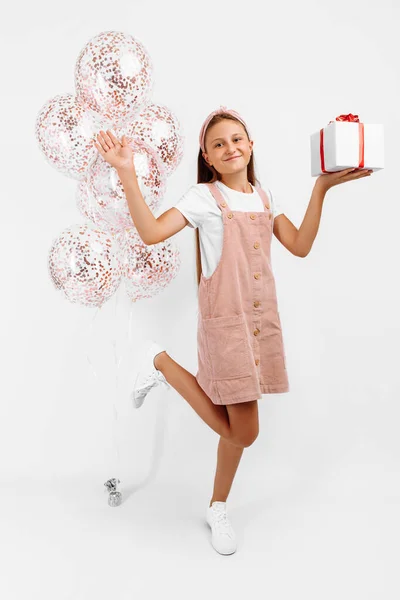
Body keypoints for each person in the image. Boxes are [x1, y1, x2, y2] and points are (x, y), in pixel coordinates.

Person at [94, 107, 372, 555]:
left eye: (237, 139)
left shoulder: (264, 197)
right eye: (219, 144)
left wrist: (321, 188)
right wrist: (127, 172)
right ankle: (160, 362)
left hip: (260, 326)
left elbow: (299, 246)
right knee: (245, 432)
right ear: (206, 155)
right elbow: (149, 233)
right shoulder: (204, 198)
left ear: (251, 144)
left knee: (238, 429)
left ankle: (216, 505)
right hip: (226, 325)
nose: (230, 148)